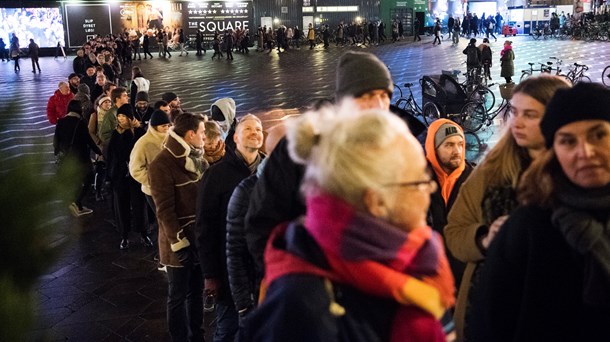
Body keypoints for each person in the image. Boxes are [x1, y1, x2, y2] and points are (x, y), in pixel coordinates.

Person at [241, 105, 454, 341]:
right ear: (376, 201)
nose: (430, 189)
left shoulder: (406, 256)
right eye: (419, 182)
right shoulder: (306, 311)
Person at [245, 51, 407, 294]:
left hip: (376, 293)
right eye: (367, 96)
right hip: (314, 295)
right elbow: (261, 226)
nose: (379, 105)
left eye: (384, 96)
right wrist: (294, 283)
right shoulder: (298, 152)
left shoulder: (398, 151)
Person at [471, 82, 610, 341]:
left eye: (598, 135)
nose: (585, 152)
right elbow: (490, 324)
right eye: (568, 141)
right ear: (554, 152)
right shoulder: (528, 228)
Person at [444, 75, 571, 342]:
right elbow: (454, 230)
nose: (517, 122)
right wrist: (483, 239)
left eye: (530, 114)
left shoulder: (577, 173)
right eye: (513, 111)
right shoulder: (491, 170)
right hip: (486, 310)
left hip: (555, 313)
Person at [197, 114, 265, 341]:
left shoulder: (270, 171)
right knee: (228, 328)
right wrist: (210, 274)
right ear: (234, 137)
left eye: (258, 129)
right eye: (248, 129)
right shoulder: (215, 175)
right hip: (230, 270)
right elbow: (205, 228)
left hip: (263, 269)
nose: (255, 132)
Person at [149, 112, 208, 342]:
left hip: (198, 239)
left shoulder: (196, 158)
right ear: (191, 134)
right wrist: (179, 243)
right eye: (202, 133)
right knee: (178, 295)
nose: (204, 137)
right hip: (178, 245)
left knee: (197, 293)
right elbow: (164, 210)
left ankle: (198, 335)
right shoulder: (162, 164)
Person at [425, 119, 473, 286]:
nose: (457, 151)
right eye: (449, 145)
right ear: (434, 149)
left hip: (467, 274)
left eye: (460, 144)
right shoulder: (419, 181)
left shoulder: (475, 180)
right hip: (431, 273)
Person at [129, 109, 171, 251]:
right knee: (164, 222)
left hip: (171, 187)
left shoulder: (171, 138)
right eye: (163, 126)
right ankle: (164, 254)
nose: (166, 128)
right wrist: (153, 180)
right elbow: (135, 169)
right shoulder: (143, 143)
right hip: (153, 190)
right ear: (154, 126)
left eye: (168, 125)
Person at [106, 104, 147, 250]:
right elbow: (110, 155)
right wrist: (110, 175)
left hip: (136, 175)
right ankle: (124, 235)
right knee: (121, 205)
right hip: (120, 176)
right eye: (119, 117)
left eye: (123, 116)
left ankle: (143, 233)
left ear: (130, 117)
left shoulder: (139, 132)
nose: (120, 119)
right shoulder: (116, 133)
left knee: (139, 205)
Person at [54, 100, 103, 217]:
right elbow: (88, 140)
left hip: (67, 157)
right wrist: (98, 151)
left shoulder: (61, 121)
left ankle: (78, 205)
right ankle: (76, 201)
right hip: (82, 157)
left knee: (75, 179)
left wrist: (57, 152)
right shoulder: (80, 122)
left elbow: (56, 140)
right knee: (89, 177)